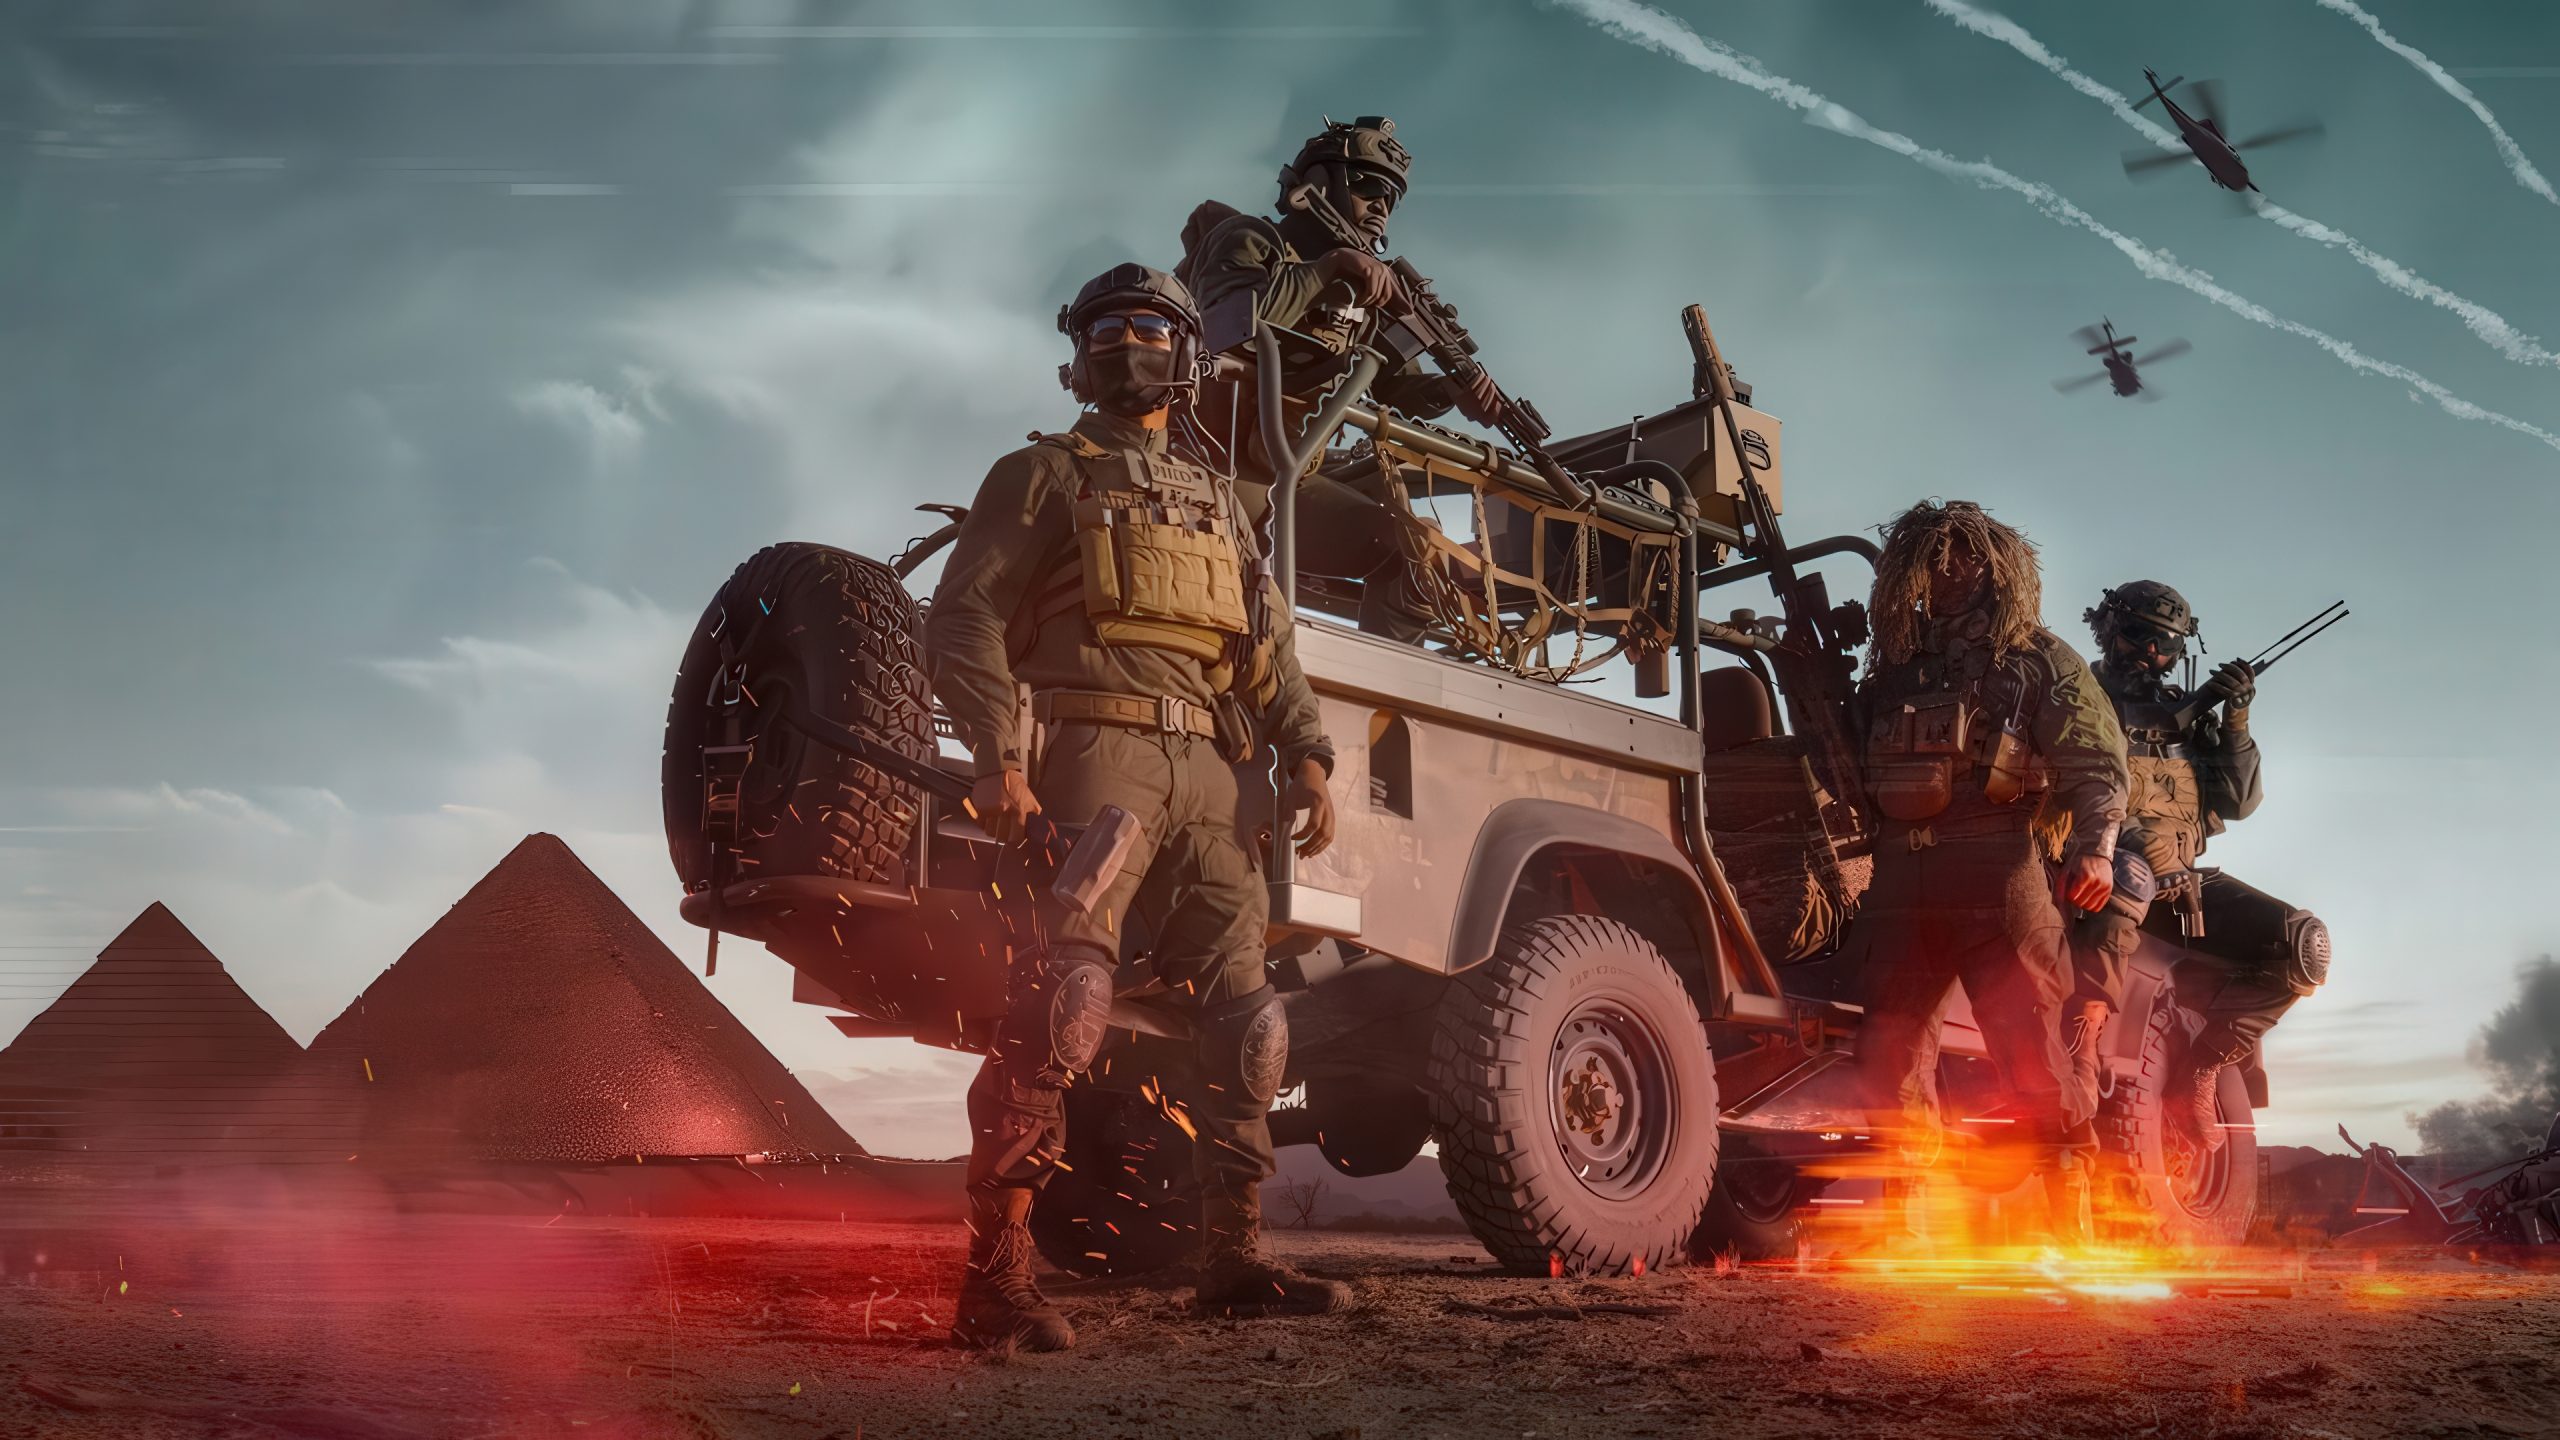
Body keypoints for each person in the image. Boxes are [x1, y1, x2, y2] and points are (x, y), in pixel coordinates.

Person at [925, 263, 1347, 1351]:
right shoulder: (1040, 475)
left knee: (1251, 1026)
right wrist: (994, 756)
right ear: (1076, 356)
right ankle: (998, 1281)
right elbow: (963, 617)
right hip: (1093, 753)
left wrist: (1307, 751)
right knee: (1061, 1001)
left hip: (1210, 772)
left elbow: (1270, 647)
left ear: (1185, 354)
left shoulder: (1219, 505)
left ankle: (1232, 1260)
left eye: (1151, 327)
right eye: (1106, 329)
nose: (1128, 346)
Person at [1850, 501, 2128, 1248]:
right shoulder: (1897, 666)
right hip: (1900, 882)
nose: (1946, 572)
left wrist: (2097, 848)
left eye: (1962, 557)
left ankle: (2070, 1229)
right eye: (1933, 558)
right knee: (1888, 1061)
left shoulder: (2034, 659)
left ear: (1993, 567)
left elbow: (2098, 767)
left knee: (2034, 1053)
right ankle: (1905, 1232)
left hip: (1998, 874)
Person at [1174, 115, 1503, 644]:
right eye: (1369, 188)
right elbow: (1231, 324)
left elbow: (1396, 389)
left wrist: (1451, 391)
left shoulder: (1362, 292)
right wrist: (1329, 268)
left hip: (1288, 481)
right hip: (1204, 472)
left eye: (1391, 198)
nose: (1381, 207)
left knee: (1414, 549)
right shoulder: (1251, 240)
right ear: (1322, 182)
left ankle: (1384, 700)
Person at [2074, 581, 2327, 1153]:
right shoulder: (2077, 697)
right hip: (2098, 865)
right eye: (2141, 637)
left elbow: (2238, 802)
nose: (2152, 655)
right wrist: (2137, 843)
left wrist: (2235, 720)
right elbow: (2061, 788)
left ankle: (2200, 1067)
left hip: (2181, 885)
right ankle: (2082, 1045)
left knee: (2300, 946)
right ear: (2109, 629)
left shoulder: (2188, 719)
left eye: (2167, 646)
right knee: (2127, 880)